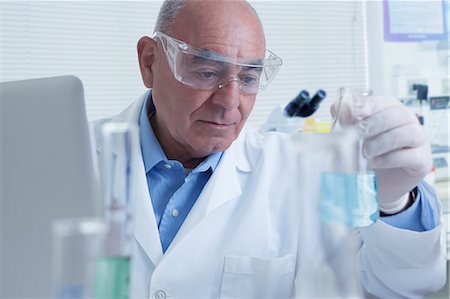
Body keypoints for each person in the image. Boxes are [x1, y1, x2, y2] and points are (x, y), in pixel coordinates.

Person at [94, 0, 447, 298]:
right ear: (150, 61)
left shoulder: (299, 169)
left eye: (248, 78)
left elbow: (392, 286)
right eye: (205, 71)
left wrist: (395, 204)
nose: (230, 103)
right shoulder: (63, 160)